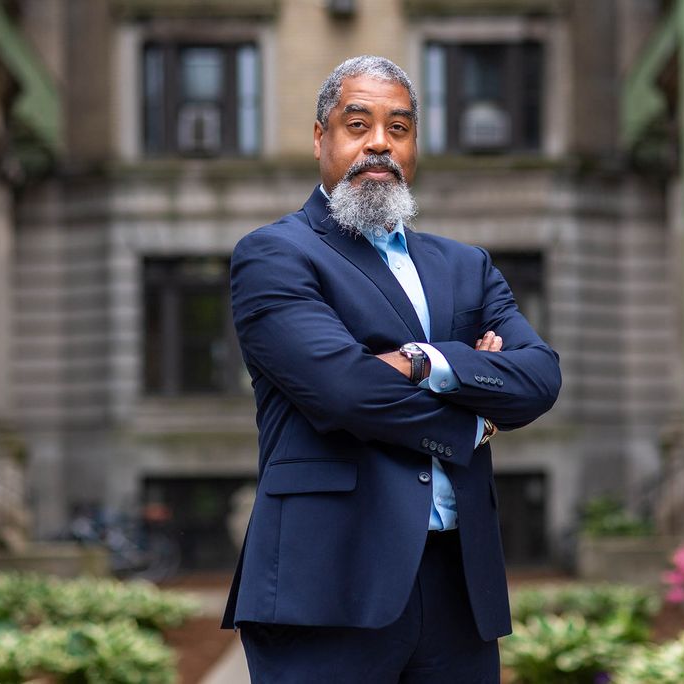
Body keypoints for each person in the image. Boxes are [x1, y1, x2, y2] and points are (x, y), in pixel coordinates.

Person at [222, 55, 561, 683]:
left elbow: (539, 377)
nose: (379, 143)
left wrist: (422, 360)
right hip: (328, 583)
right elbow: (346, 391)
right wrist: (473, 418)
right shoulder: (275, 255)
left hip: (460, 586)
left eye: (398, 128)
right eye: (358, 124)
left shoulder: (467, 266)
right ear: (321, 137)